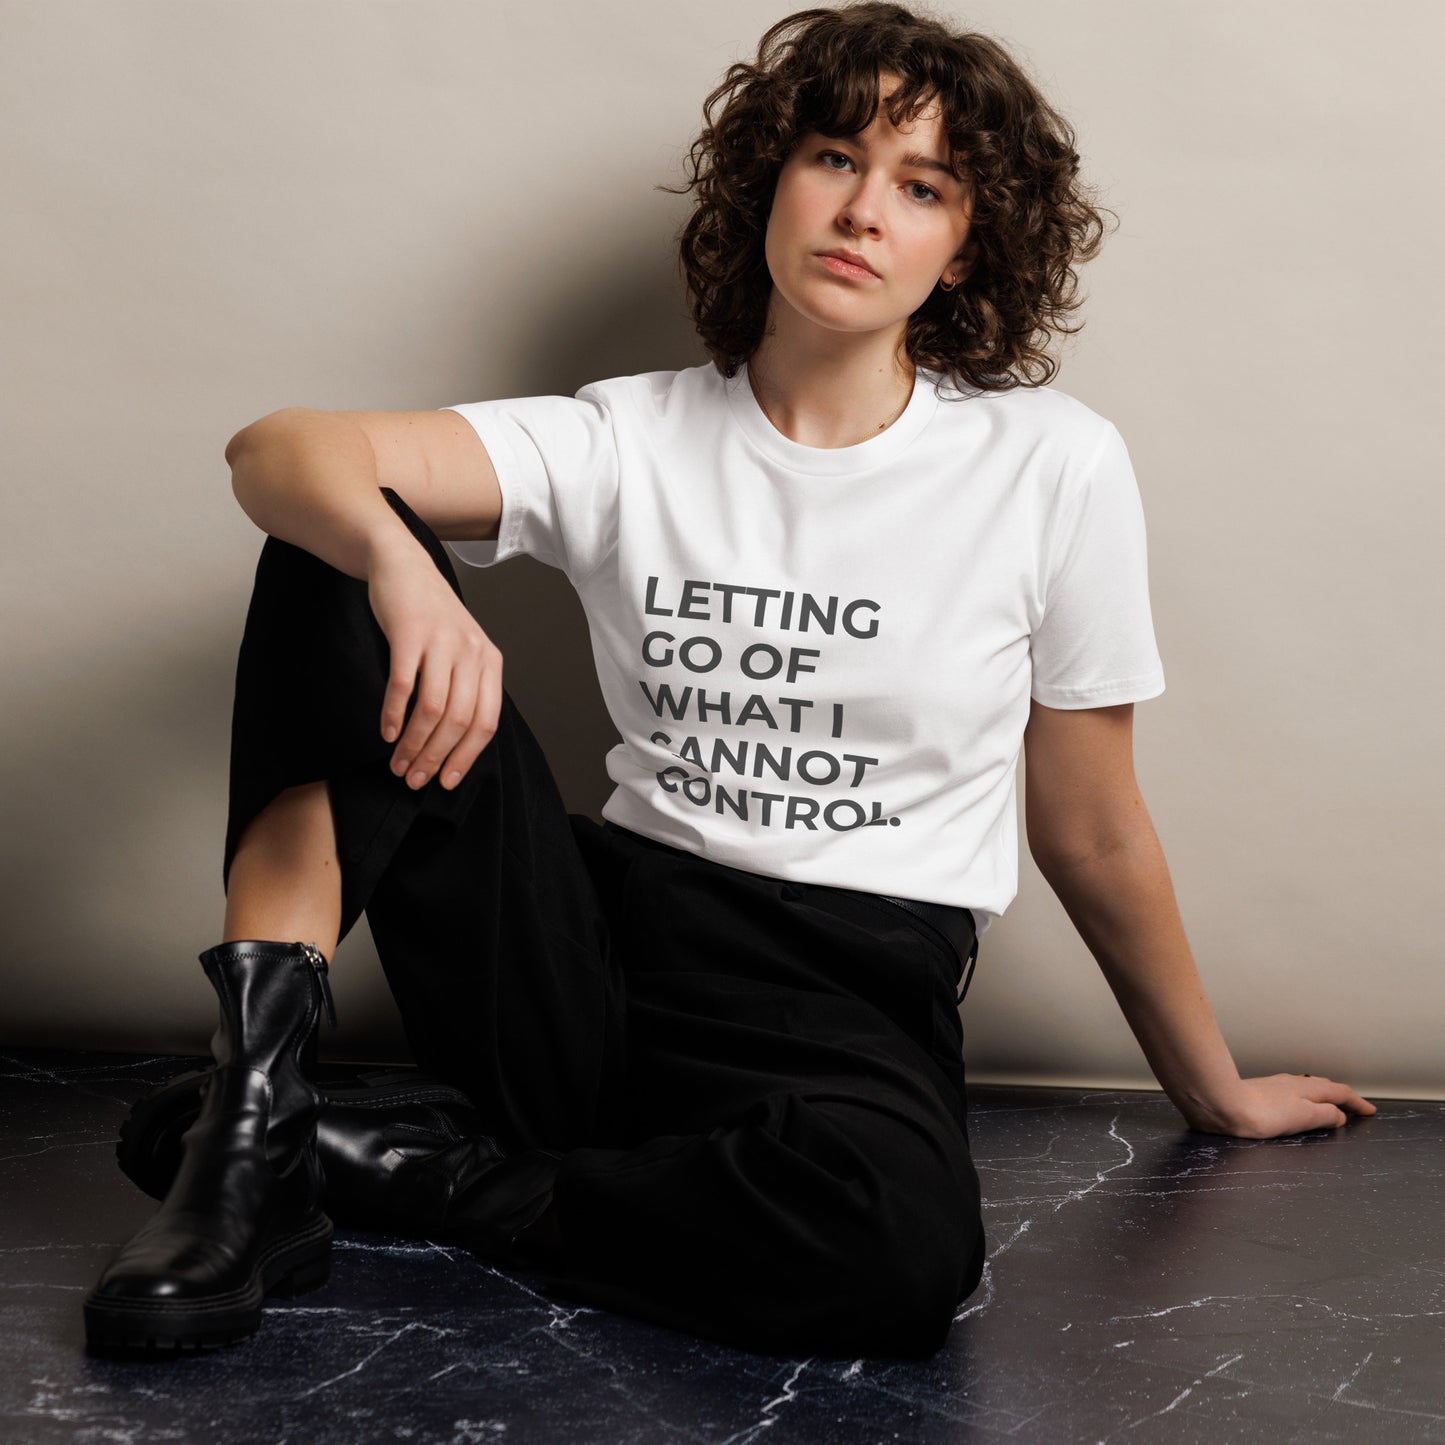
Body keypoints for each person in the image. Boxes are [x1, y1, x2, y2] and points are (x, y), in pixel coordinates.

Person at [83, 0, 1376, 1360]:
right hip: (589, 961)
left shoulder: (1050, 464)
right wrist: (399, 564)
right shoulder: (630, 435)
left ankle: (416, 1173)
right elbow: (278, 449)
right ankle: (249, 1130)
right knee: (329, 545)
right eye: (836, 158)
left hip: (843, 993)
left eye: (922, 186)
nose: (863, 209)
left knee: (893, 1250)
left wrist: (1210, 1087)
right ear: (771, 181)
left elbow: (1092, 824)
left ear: (964, 249)